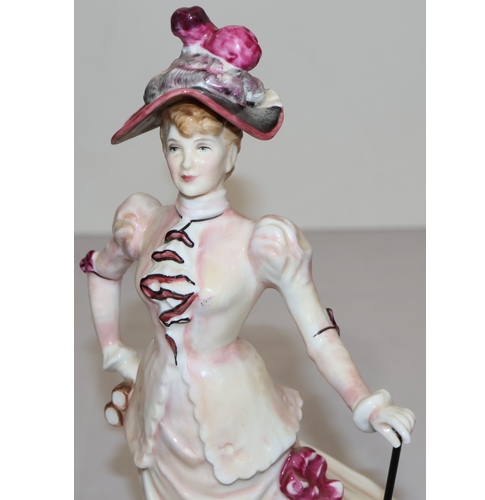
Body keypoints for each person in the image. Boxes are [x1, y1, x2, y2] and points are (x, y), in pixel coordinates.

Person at [81, 7, 415, 500]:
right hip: (159, 419)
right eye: (174, 147)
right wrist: (114, 351)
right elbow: (102, 270)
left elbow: (318, 334)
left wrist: (365, 403)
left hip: (235, 422)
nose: (186, 162)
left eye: (203, 146)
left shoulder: (260, 242)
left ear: (232, 152)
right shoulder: (144, 221)